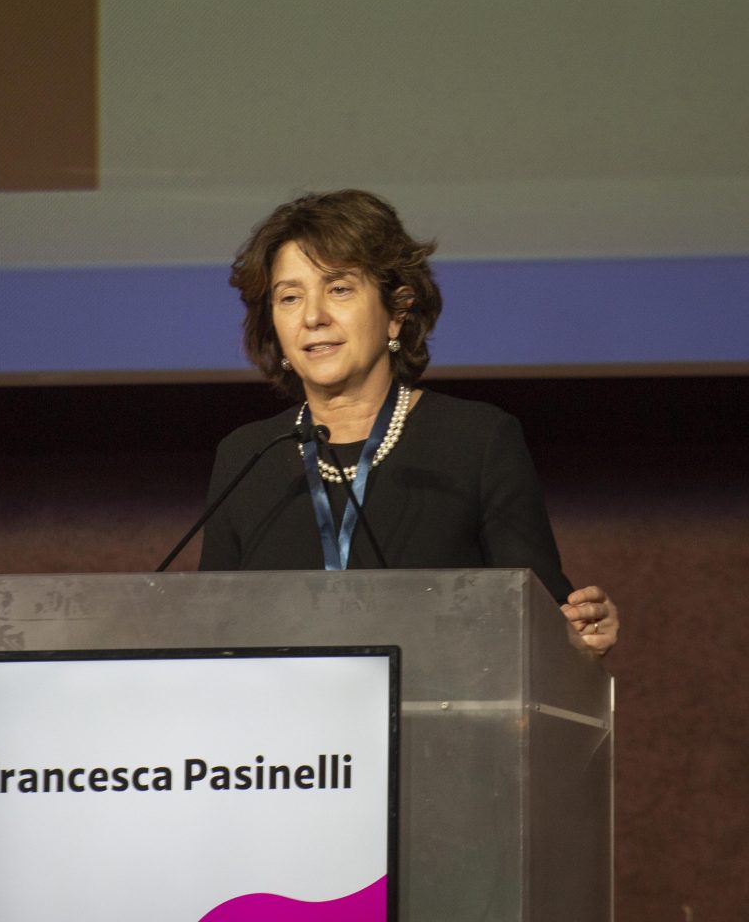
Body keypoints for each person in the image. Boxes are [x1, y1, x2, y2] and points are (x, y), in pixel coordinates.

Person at [199, 189, 619, 655]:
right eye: (290, 298)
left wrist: (580, 633)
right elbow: (213, 632)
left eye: (339, 289)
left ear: (397, 313)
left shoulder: (475, 441)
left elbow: (542, 619)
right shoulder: (246, 456)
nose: (313, 317)